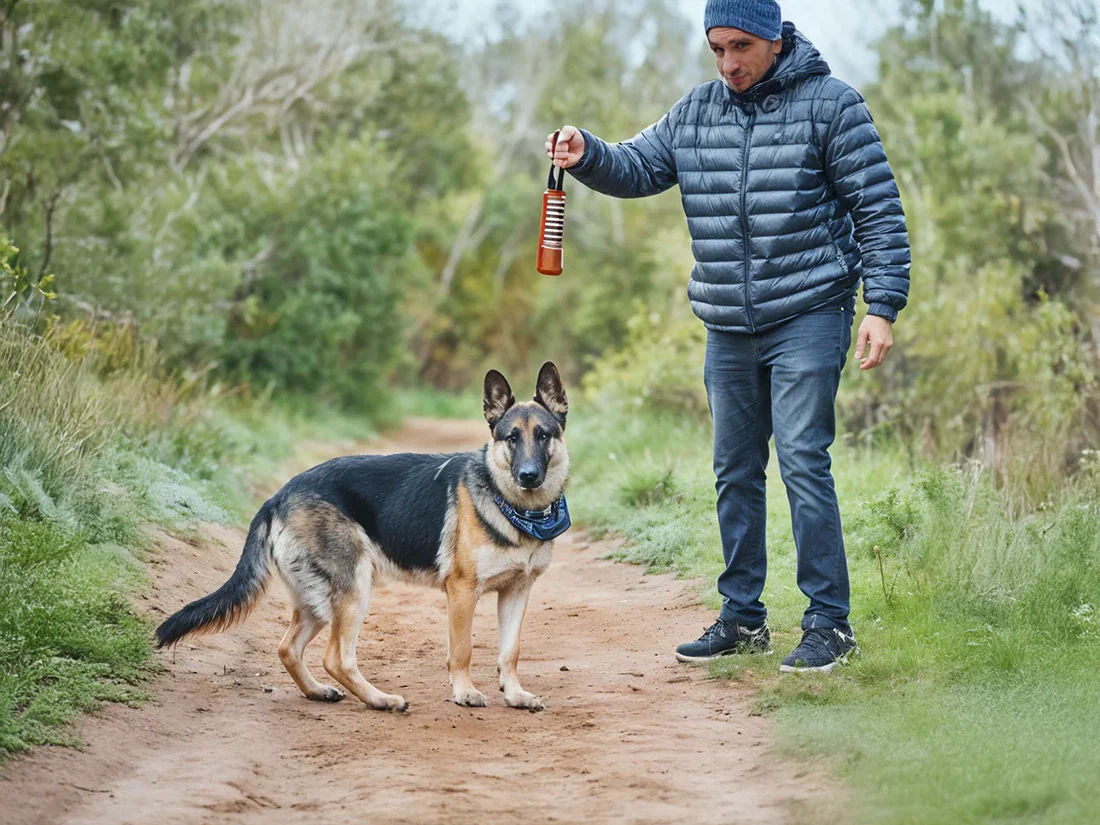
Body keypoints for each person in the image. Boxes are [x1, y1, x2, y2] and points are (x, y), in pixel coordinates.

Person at [546, 0, 910, 672]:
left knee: (803, 461)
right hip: (728, 324)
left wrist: (881, 306)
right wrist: (588, 153)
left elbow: (879, 211)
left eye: (741, 47)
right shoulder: (696, 112)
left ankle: (830, 624)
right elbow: (638, 167)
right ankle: (743, 618)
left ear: (774, 39)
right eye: (716, 48)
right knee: (734, 472)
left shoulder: (832, 106)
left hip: (810, 311)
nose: (728, 63)